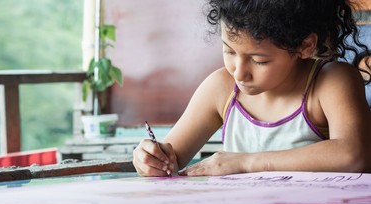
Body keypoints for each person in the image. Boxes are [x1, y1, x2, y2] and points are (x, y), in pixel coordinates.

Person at [133, 0, 371, 176]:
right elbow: (170, 159)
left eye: (259, 61)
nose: (239, 72)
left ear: (305, 46)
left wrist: (246, 163)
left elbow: (353, 155)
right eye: (229, 51)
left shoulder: (331, 82)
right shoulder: (221, 88)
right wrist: (151, 158)